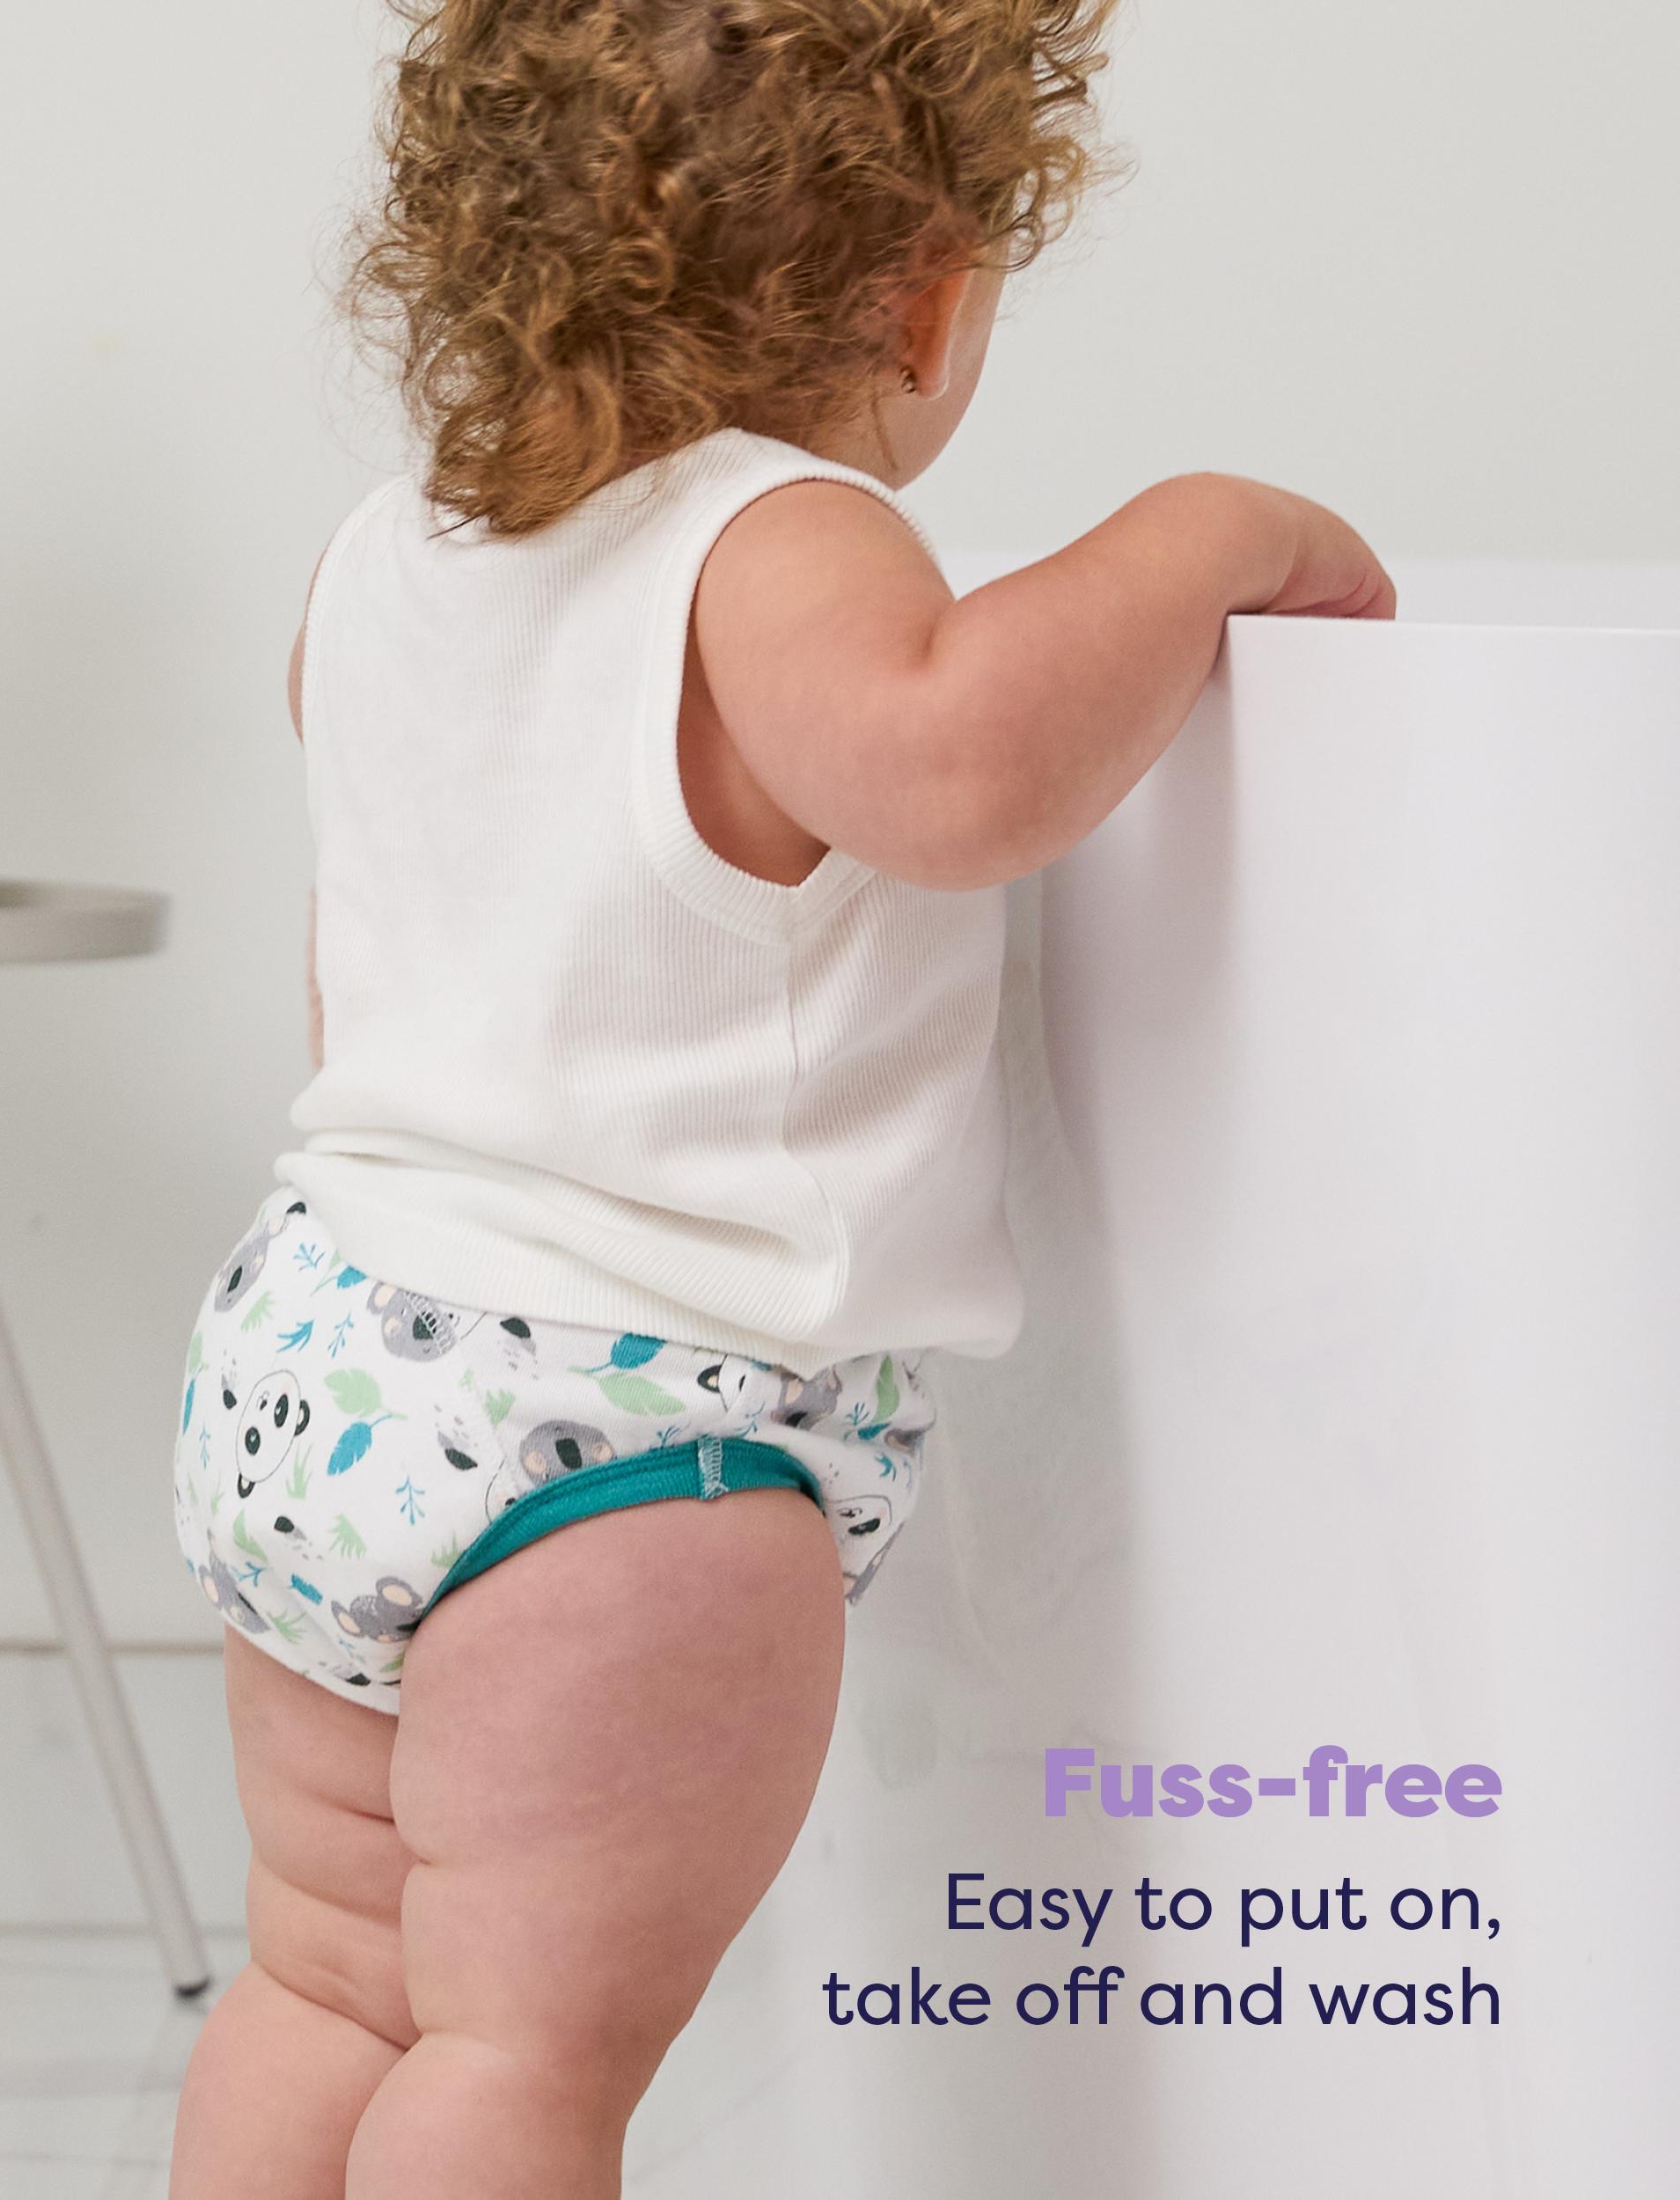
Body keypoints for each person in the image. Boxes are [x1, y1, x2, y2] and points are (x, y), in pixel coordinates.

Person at [169, 4, 1392, 2194]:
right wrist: (1198, 535)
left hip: (323, 1358)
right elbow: (956, 765)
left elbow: (381, 931)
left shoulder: (393, 549)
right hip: (622, 1434)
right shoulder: (775, 534)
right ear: (920, 293)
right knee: (521, 2053)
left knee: (331, 1984)